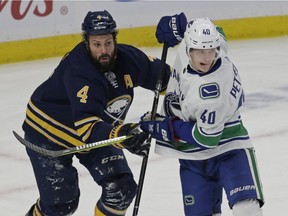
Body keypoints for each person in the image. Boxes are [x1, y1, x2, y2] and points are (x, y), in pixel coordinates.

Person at [21, 10, 172, 216]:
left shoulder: (128, 59)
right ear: (86, 43)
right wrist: (124, 135)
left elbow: (169, 81)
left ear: (114, 40)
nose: (104, 51)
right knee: (61, 205)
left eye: (108, 43)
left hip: (95, 130)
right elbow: (88, 130)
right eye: (97, 44)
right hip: (48, 131)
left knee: (122, 190)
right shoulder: (80, 71)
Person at [140, 13, 265, 216]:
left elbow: (206, 138)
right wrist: (180, 25)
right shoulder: (217, 45)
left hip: (229, 148)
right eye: (200, 50)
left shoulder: (211, 92)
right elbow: (216, 31)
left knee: (246, 209)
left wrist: (166, 128)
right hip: (191, 156)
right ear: (188, 47)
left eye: (210, 50)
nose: (207, 57)